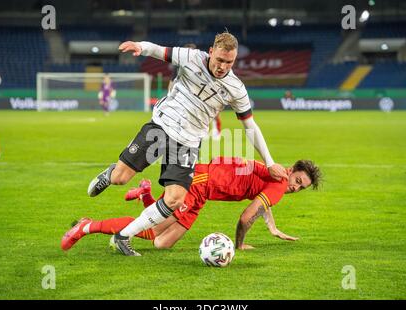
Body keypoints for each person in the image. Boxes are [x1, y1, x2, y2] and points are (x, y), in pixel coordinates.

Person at [87, 32, 288, 256]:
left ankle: (123, 237)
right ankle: (109, 175)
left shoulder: (236, 88)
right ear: (211, 52)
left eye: (229, 62)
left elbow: (250, 126)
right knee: (120, 178)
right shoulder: (192, 57)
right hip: (161, 126)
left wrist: (269, 162)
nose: (223, 66)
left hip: (188, 143)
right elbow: (160, 51)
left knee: (175, 199)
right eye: (219, 60)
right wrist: (139, 46)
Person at [62, 157, 321, 252]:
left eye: (301, 187)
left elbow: (263, 202)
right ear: (291, 170)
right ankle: (88, 226)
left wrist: (272, 227)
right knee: (154, 230)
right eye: (297, 180)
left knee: (162, 242)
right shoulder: (278, 185)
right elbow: (246, 217)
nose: (295, 187)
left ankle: (145, 195)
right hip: (200, 184)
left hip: (204, 184)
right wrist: (239, 245)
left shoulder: (276, 177)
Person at [168, 43, 223, 141]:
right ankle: (200, 132)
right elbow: (173, 79)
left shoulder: (204, 63)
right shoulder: (179, 65)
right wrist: (169, 94)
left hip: (205, 90)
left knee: (211, 111)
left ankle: (216, 130)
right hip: (189, 92)